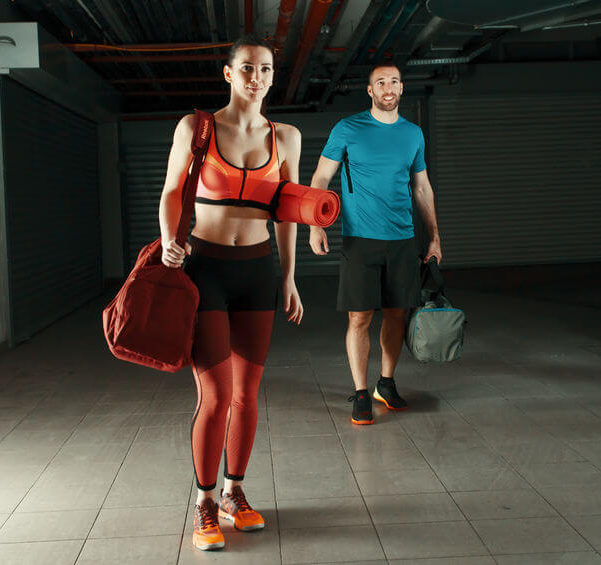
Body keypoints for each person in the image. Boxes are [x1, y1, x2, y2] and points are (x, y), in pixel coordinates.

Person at [158, 35, 303, 551]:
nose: (255, 77)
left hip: (259, 272)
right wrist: (171, 240)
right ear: (227, 73)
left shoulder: (286, 137)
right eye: (246, 68)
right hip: (207, 270)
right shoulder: (197, 128)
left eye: (264, 69)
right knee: (216, 397)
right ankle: (202, 501)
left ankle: (233, 493)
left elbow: (288, 210)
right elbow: (174, 190)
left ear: (271, 76)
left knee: (247, 396)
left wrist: (288, 277)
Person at [308, 64, 442, 425]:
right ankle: (362, 392)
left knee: (397, 313)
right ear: (369, 90)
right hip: (360, 239)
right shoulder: (348, 129)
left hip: (402, 239)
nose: (388, 87)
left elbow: (422, 187)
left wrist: (434, 237)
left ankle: (385, 383)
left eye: (394, 81)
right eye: (380, 82)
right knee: (360, 317)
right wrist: (314, 224)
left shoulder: (413, 134)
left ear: (401, 88)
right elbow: (322, 176)